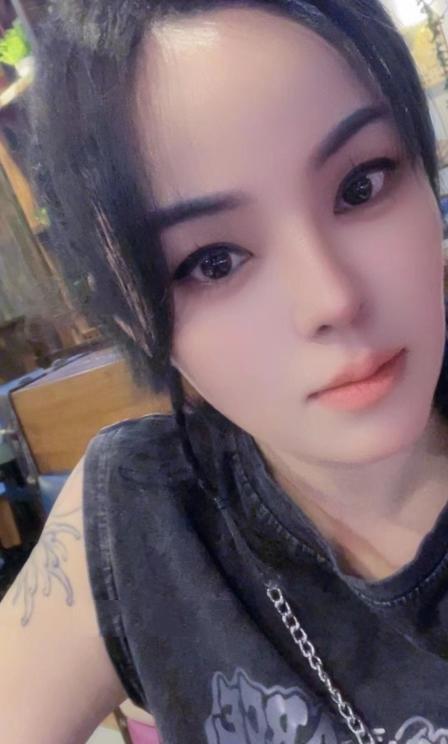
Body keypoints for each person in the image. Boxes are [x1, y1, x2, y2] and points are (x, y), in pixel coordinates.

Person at [2, 1, 448, 742]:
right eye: (213, 261)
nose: (332, 299)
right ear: (133, 312)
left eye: (362, 186)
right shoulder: (141, 514)